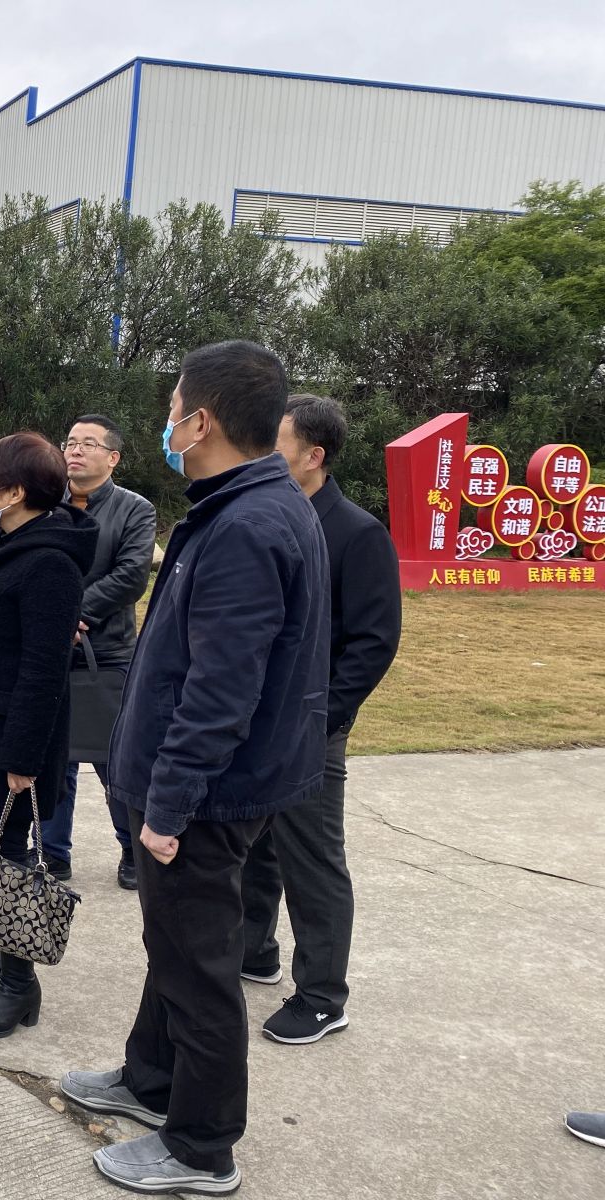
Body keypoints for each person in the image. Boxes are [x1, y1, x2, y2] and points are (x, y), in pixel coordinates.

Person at [58, 341, 330, 1195]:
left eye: (173, 407)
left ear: (201, 421)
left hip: (206, 797)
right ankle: (151, 1080)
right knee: (173, 946)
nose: (167, 422)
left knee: (200, 966)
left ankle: (202, 1147)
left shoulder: (248, 524)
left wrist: (168, 807)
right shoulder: (242, 505)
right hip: (204, 787)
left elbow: (220, 692)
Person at [241, 394, 401, 1044]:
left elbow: (373, 643)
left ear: (314, 455)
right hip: (252, 719)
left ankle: (322, 997)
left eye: (274, 442)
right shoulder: (265, 516)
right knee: (252, 846)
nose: (261, 452)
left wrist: (321, 717)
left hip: (309, 728)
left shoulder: (357, 533)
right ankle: (253, 951)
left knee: (311, 859)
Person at [0, 432, 96, 1038]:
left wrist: (24, 757)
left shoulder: (50, 563)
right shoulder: (5, 540)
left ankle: (19, 982)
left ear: (15, 492)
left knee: (8, 851)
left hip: (15, 735)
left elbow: (43, 669)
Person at [41, 414, 157, 890]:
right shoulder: (45, 503)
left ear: (113, 457)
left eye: (88, 443)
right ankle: (52, 852)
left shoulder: (135, 509)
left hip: (107, 654)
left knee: (116, 759)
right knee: (53, 759)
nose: (75, 449)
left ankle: (132, 848)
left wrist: (72, 611)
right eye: (70, 441)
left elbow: (132, 575)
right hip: (50, 652)